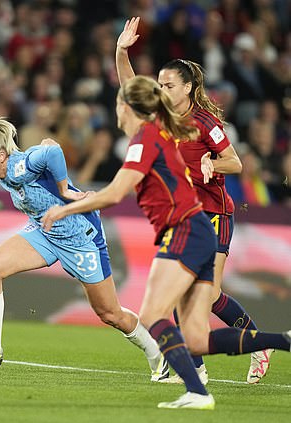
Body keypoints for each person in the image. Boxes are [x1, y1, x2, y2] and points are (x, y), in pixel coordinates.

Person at [41, 75, 291, 410]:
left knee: (153, 314)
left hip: (185, 230)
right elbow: (133, 86)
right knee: (196, 339)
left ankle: (197, 392)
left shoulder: (145, 138)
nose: (115, 108)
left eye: (118, 102)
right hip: (198, 230)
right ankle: (282, 341)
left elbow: (115, 193)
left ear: (125, 107)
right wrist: (121, 53)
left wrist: (65, 209)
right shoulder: (158, 131)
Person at [115, 16, 273, 385]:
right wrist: (121, 51)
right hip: (183, 217)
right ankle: (195, 368)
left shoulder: (204, 123)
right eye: (160, 84)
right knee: (178, 290)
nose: (161, 89)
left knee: (207, 293)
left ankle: (253, 345)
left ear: (187, 87)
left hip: (214, 213)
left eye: (168, 84)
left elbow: (235, 162)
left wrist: (210, 162)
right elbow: (129, 85)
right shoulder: (161, 115)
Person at [0, 116, 169, 383]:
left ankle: (158, 355)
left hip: (81, 238)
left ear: (1, 155)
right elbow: (46, 150)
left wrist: (65, 190)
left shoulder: (19, 167)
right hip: (45, 232)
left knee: (110, 314)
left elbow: (53, 151)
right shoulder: (4, 172)